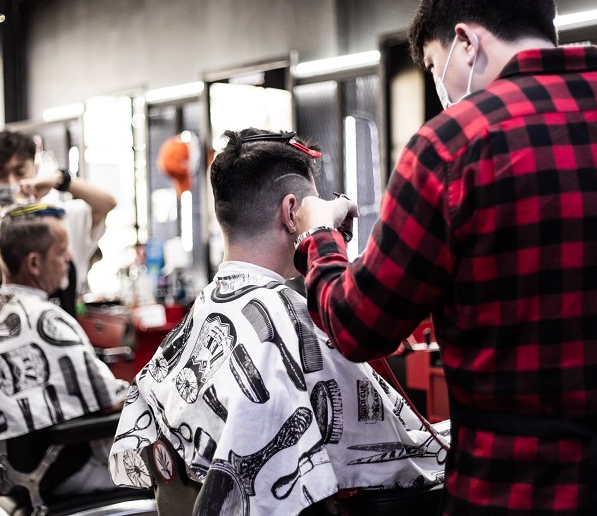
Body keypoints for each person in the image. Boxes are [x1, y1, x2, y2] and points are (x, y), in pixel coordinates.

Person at [293, 0, 597, 515]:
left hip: (516, 491)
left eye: (436, 69)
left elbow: (360, 326)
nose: (442, 90)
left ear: (466, 42)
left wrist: (321, 241)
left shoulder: (450, 148)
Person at [109, 129, 449, 516]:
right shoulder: (289, 318)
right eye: (313, 206)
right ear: (292, 214)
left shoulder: (207, 308)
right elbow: (400, 462)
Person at [0, 203, 128, 495]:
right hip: (56, 474)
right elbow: (110, 401)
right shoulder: (49, 321)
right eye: (61, 251)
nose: (68, 258)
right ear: (33, 263)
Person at [0, 130, 116, 316]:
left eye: (20, 171)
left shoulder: (61, 218)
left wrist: (60, 180)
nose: (11, 182)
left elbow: (107, 203)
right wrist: (9, 246)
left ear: (36, 168)